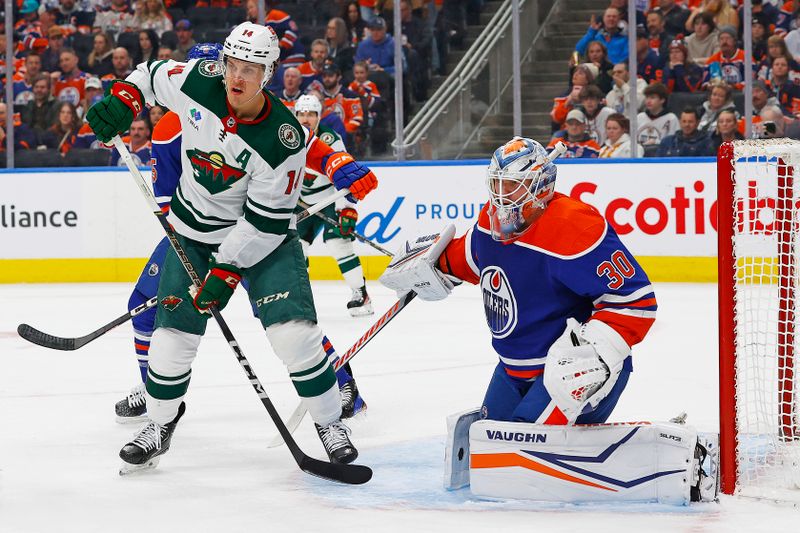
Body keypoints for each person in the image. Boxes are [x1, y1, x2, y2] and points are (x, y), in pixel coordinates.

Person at [85, 22, 378, 471]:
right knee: (170, 339)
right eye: (233, 65)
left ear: (269, 74)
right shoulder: (198, 80)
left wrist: (225, 270)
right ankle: (160, 424)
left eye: (251, 69)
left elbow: (262, 223)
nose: (238, 77)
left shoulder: (283, 138)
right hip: (194, 233)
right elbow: (148, 74)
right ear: (221, 64)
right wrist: (124, 99)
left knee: (293, 335)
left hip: (265, 241)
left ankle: (328, 421)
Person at [380, 136, 656, 429]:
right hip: (514, 370)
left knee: (517, 449)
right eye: (497, 183)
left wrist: (591, 356)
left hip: (567, 374)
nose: (501, 194)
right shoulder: (491, 221)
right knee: (484, 442)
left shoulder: (574, 227)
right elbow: (471, 259)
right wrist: (430, 265)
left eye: (512, 184)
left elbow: (636, 302)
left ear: (541, 185)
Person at [293, 94, 373, 318]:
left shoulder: (330, 139)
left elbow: (344, 176)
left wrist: (346, 209)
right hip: (301, 202)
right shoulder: (286, 135)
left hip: (328, 198)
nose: (306, 118)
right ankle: (300, 298)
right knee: (295, 248)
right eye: (302, 114)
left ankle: (361, 293)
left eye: (311, 114)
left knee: (339, 244)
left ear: (319, 117)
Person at [636, 82, 679, 147]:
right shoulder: (640, 117)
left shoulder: (671, 118)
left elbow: (674, 142)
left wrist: (656, 143)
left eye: (652, 98)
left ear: (662, 100)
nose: (648, 101)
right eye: (647, 97)